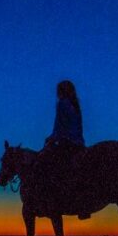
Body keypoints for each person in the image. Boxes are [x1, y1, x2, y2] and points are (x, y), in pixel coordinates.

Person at [39, 80, 90, 219]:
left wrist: (51, 138)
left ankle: (51, 201)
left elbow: (59, 128)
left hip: (66, 143)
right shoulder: (75, 105)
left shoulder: (62, 104)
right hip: (79, 143)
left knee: (44, 166)